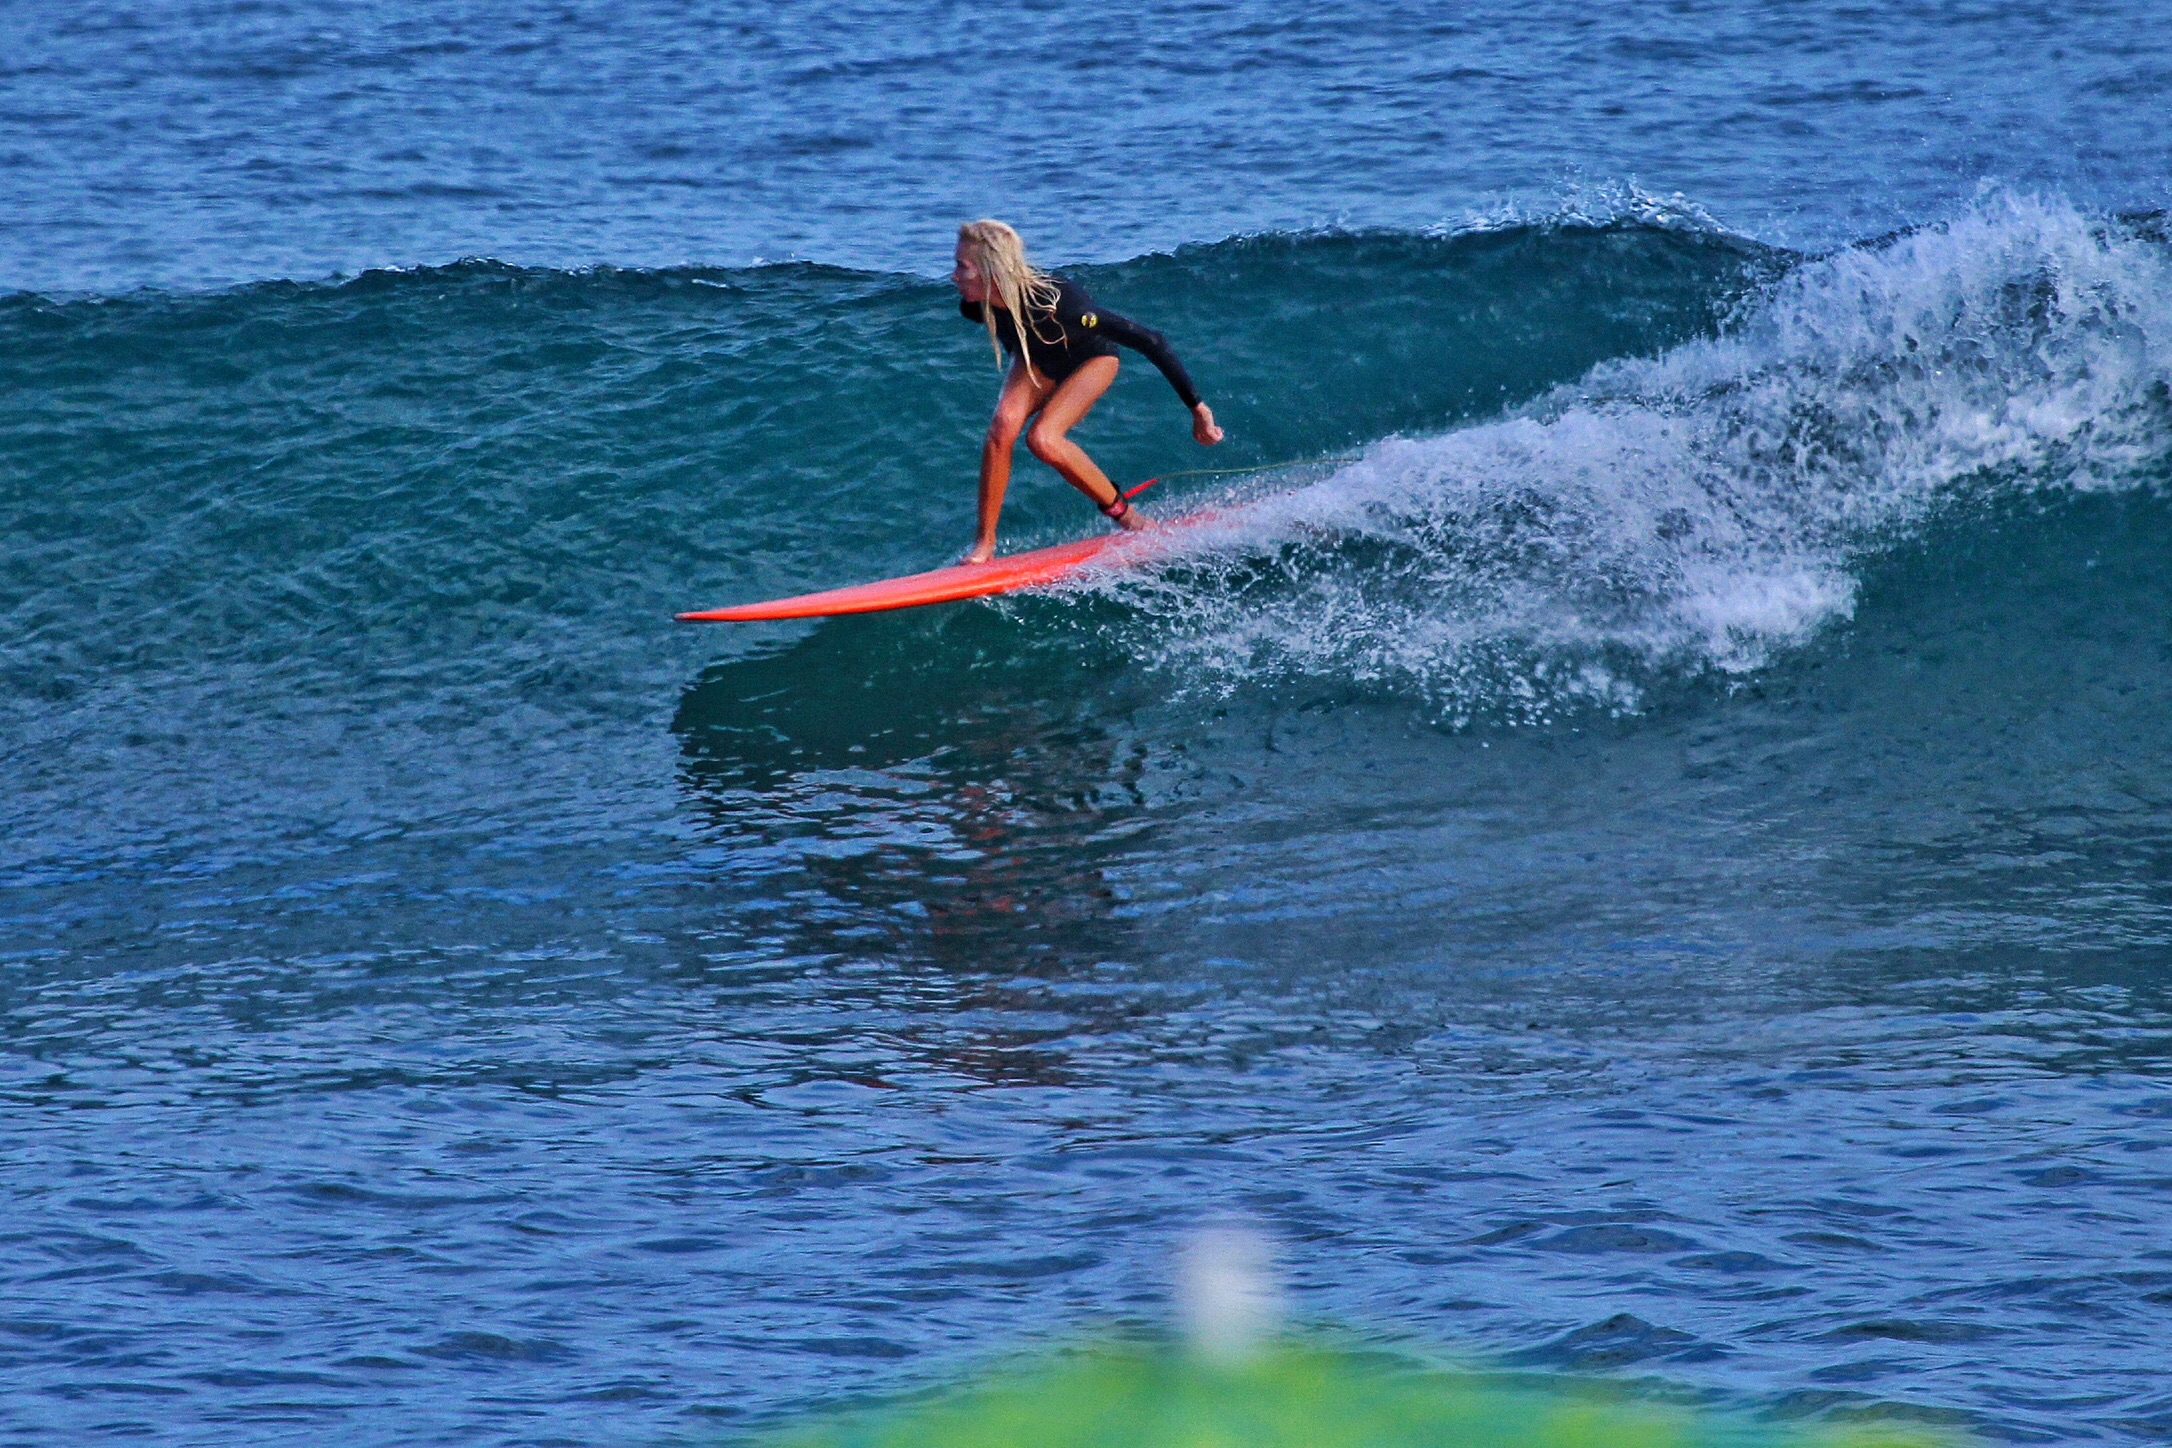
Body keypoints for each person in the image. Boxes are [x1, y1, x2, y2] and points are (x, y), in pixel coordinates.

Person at [951, 219, 1222, 564]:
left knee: (1044, 440)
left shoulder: (1065, 307)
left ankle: (1129, 517)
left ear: (991, 270)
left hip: (1090, 359)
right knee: (1002, 426)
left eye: (962, 266)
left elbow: (1150, 340)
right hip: (1038, 360)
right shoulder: (975, 306)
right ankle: (985, 543)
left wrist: (1197, 408)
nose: (954, 276)